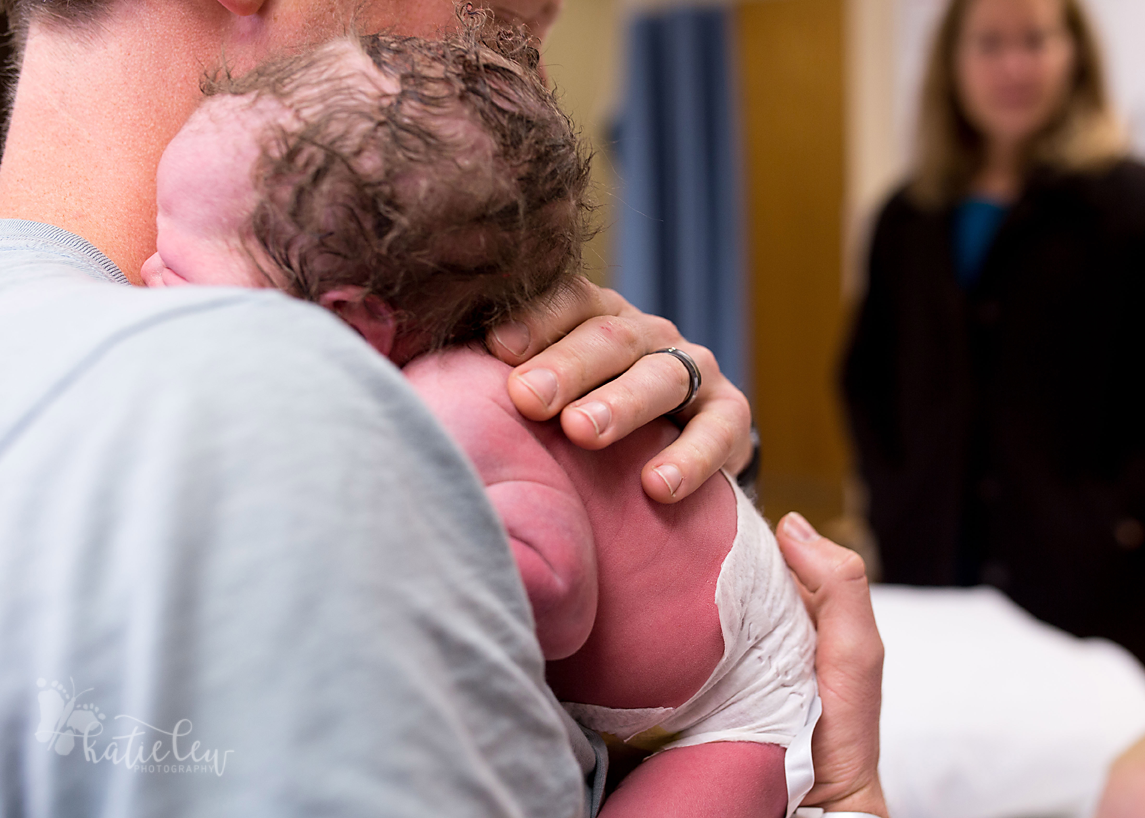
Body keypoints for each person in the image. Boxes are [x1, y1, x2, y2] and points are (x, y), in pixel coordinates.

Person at [0, 1, 887, 816]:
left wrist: (660, 482)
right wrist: (846, 798)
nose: (526, 78)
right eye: (503, 22)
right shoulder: (266, 391)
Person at [843, 0, 1145, 659]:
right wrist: (891, 502)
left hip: (1087, 586)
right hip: (931, 565)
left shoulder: (1126, 208)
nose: (1013, 66)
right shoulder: (906, 218)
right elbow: (867, 381)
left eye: (1035, 40)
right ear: (951, 63)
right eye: (988, 44)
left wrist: (1119, 522)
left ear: (1075, 55)